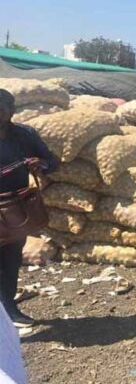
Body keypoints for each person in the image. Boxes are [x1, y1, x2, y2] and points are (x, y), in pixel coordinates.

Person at [0, 89, 58, 328]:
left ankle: (8, 309)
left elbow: (52, 162)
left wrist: (41, 164)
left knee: (11, 258)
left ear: (11, 111)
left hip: (15, 209)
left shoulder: (24, 135)